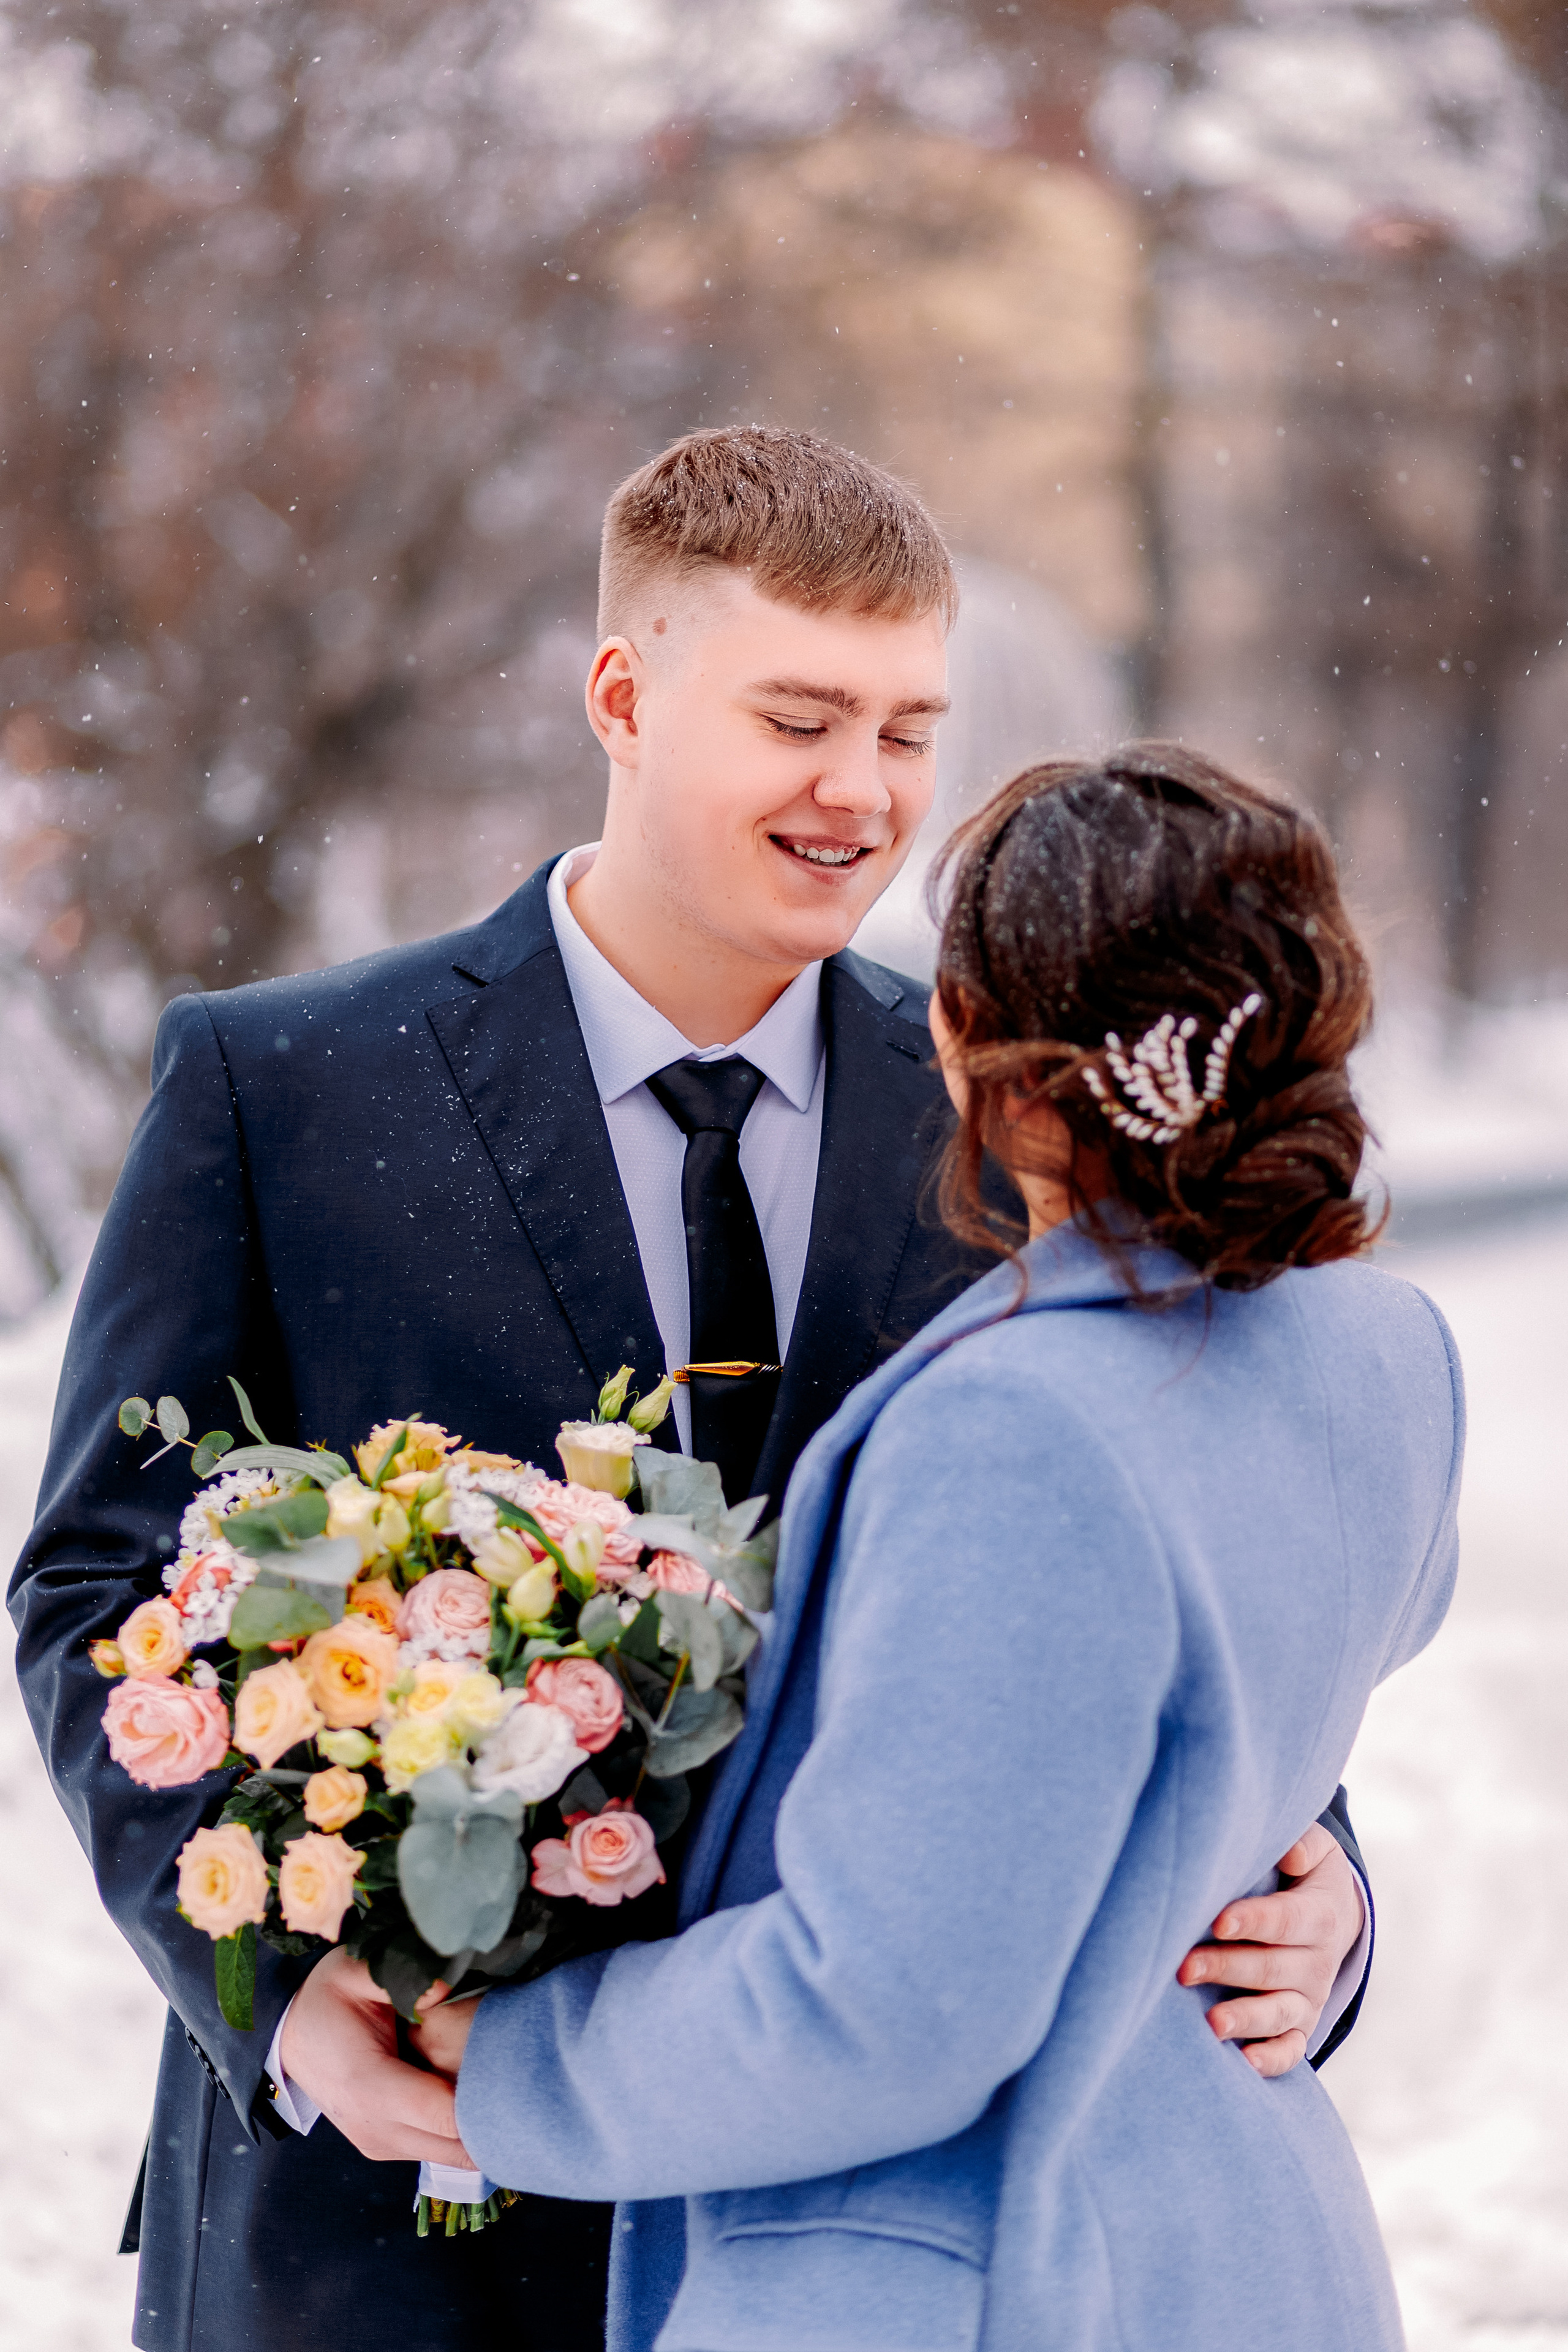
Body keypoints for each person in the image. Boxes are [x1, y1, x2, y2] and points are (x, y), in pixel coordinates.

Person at [10, 437, 1367, 2352]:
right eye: (801, 717)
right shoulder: (282, 1089)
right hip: (382, 2214)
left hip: (872, 2242)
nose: (862, 792)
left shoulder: (1031, 1119)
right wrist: (269, 1984)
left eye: (908, 730)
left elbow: (1185, 1594)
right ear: (624, 698)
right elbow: (96, 1589)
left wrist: (1327, 1893)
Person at [396, 745, 1463, 2352]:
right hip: (1247, 2244)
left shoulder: (1019, 1427)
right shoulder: (1390, 1356)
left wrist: (508, 2069)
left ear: (972, 1041)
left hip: (1002, 2273)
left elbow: (885, 2008)